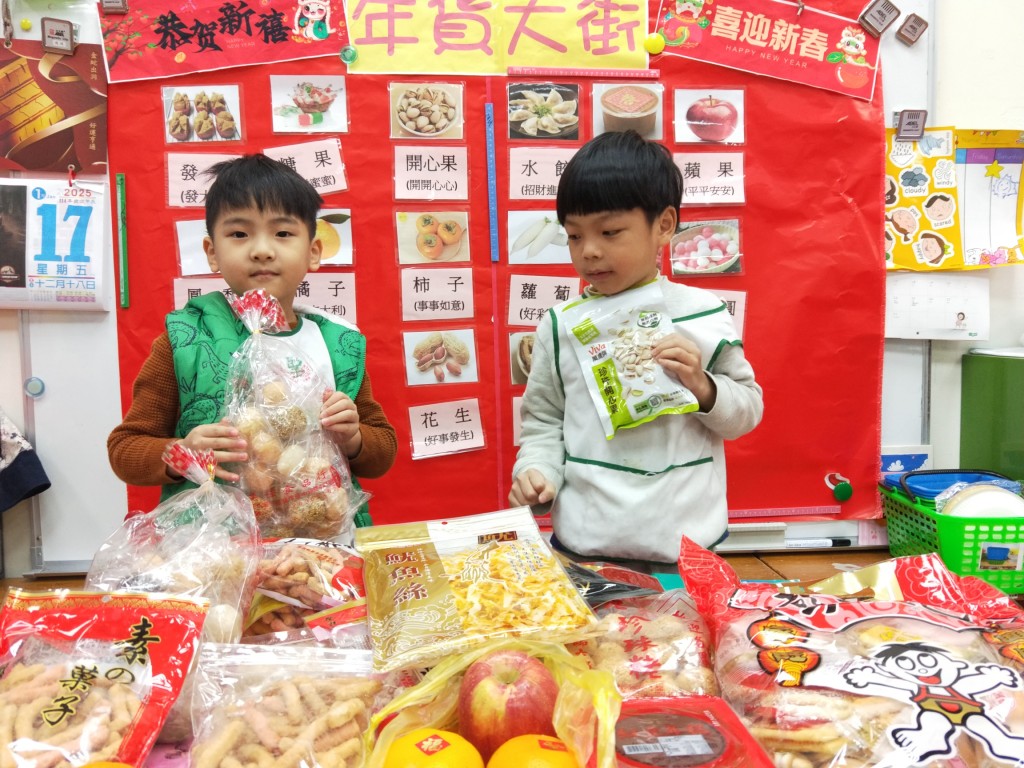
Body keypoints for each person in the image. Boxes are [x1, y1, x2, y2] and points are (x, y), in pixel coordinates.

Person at [509, 130, 763, 562]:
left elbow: (747, 411)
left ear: (663, 225)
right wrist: (537, 471)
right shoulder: (561, 324)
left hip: (686, 541)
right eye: (574, 236)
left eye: (609, 231)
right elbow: (544, 421)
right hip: (587, 541)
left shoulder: (702, 312)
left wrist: (702, 386)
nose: (589, 251)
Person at [108, 154, 397, 507]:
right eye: (239, 234)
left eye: (283, 233)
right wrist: (182, 452)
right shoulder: (186, 340)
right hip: (217, 535)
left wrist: (353, 439)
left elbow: (383, 452)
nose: (262, 250)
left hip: (320, 530)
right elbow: (125, 449)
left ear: (313, 252)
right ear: (212, 253)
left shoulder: (337, 345)